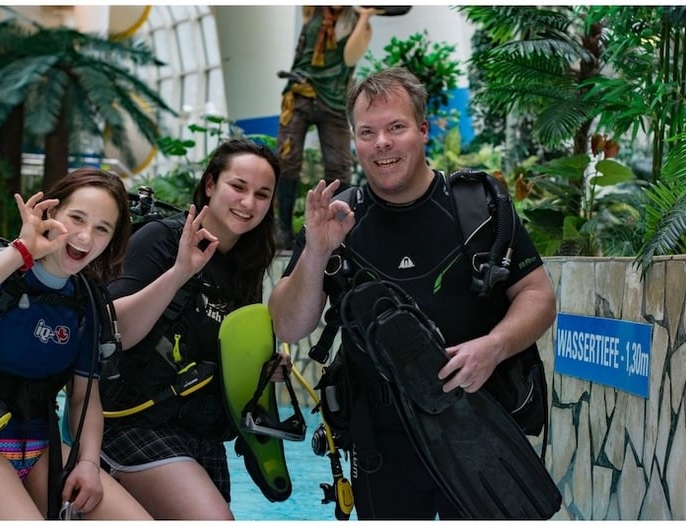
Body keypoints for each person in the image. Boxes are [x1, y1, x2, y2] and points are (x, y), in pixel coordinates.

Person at [268, 67, 557, 519]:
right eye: (367, 132)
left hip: (478, 427)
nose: (381, 142)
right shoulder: (339, 216)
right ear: (354, 140)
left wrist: (494, 347)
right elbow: (288, 324)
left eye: (396, 127)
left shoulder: (478, 206)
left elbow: (538, 294)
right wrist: (316, 252)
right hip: (381, 443)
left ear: (422, 130)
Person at [0, 167, 151, 520]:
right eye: (77, 218)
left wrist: (87, 462)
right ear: (51, 212)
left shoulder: (85, 301)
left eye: (102, 229)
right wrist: (22, 251)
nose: (86, 237)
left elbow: (83, 397)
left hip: (39, 448)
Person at [100, 139, 282, 519]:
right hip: (136, 422)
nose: (248, 203)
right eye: (238, 187)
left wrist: (262, 367)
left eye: (262, 194)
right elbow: (112, 328)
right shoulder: (164, 240)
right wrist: (181, 271)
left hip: (202, 434)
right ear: (211, 185)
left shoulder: (246, 265)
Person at [275, 5, 379, 249]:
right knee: (287, 158)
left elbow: (349, 57)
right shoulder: (312, 11)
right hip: (299, 94)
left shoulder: (359, 24)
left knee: (339, 166)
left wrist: (364, 15)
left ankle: (340, 226)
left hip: (333, 102)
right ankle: (283, 231)